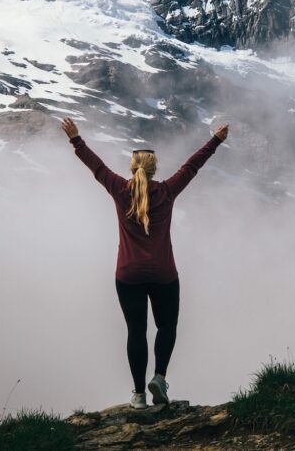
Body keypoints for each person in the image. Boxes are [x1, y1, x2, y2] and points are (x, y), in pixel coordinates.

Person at [61, 117, 229, 409]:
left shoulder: (119, 189)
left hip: (128, 275)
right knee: (167, 327)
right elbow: (192, 167)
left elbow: (97, 167)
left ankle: (138, 395)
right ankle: (159, 377)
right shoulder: (166, 191)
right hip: (164, 273)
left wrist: (76, 139)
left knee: (136, 332)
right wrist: (215, 140)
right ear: (154, 169)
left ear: (132, 168)